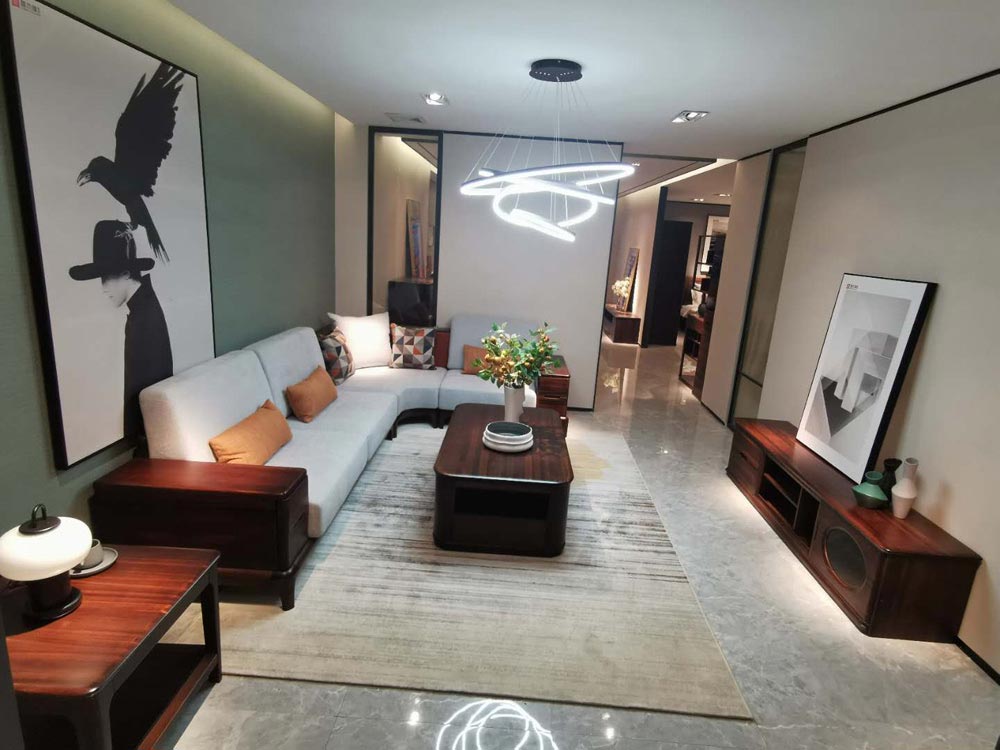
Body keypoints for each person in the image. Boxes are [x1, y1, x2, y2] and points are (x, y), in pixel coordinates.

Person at [68, 220, 172, 437]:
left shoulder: (144, 319)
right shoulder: (143, 309)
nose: (103, 289)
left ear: (125, 273)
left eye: (106, 277)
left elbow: (147, 388)